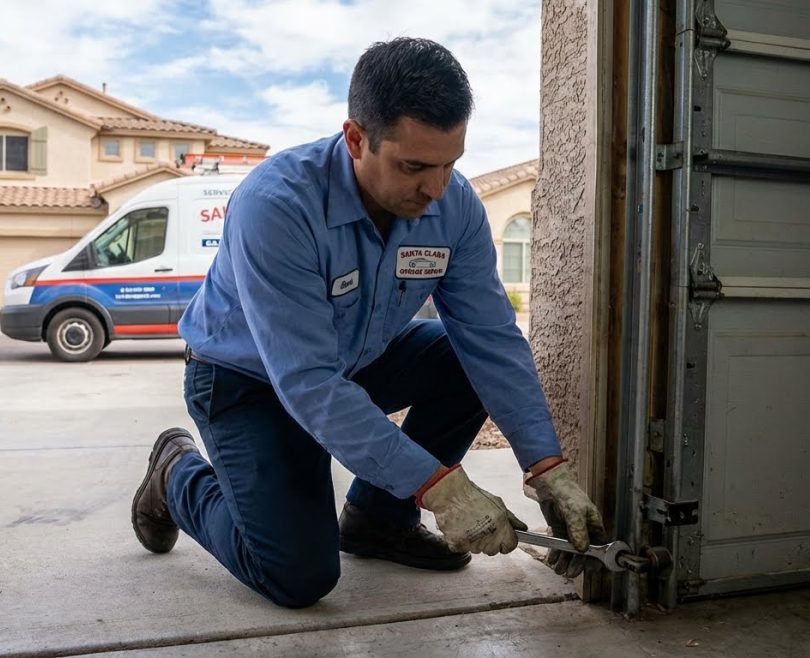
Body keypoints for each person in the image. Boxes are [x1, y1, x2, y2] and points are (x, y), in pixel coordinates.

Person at [131, 37, 605, 609]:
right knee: (298, 575)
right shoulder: (277, 204)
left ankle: (379, 520)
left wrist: (545, 466)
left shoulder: (452, 206)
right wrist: (441, 488)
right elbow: (307, 380)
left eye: (450, 163)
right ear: (356, 138)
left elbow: (491, 340)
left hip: (354, 363)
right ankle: (176, 472)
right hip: (244, 383)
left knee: (461, 359)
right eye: (413, 167)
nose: (435, 189)